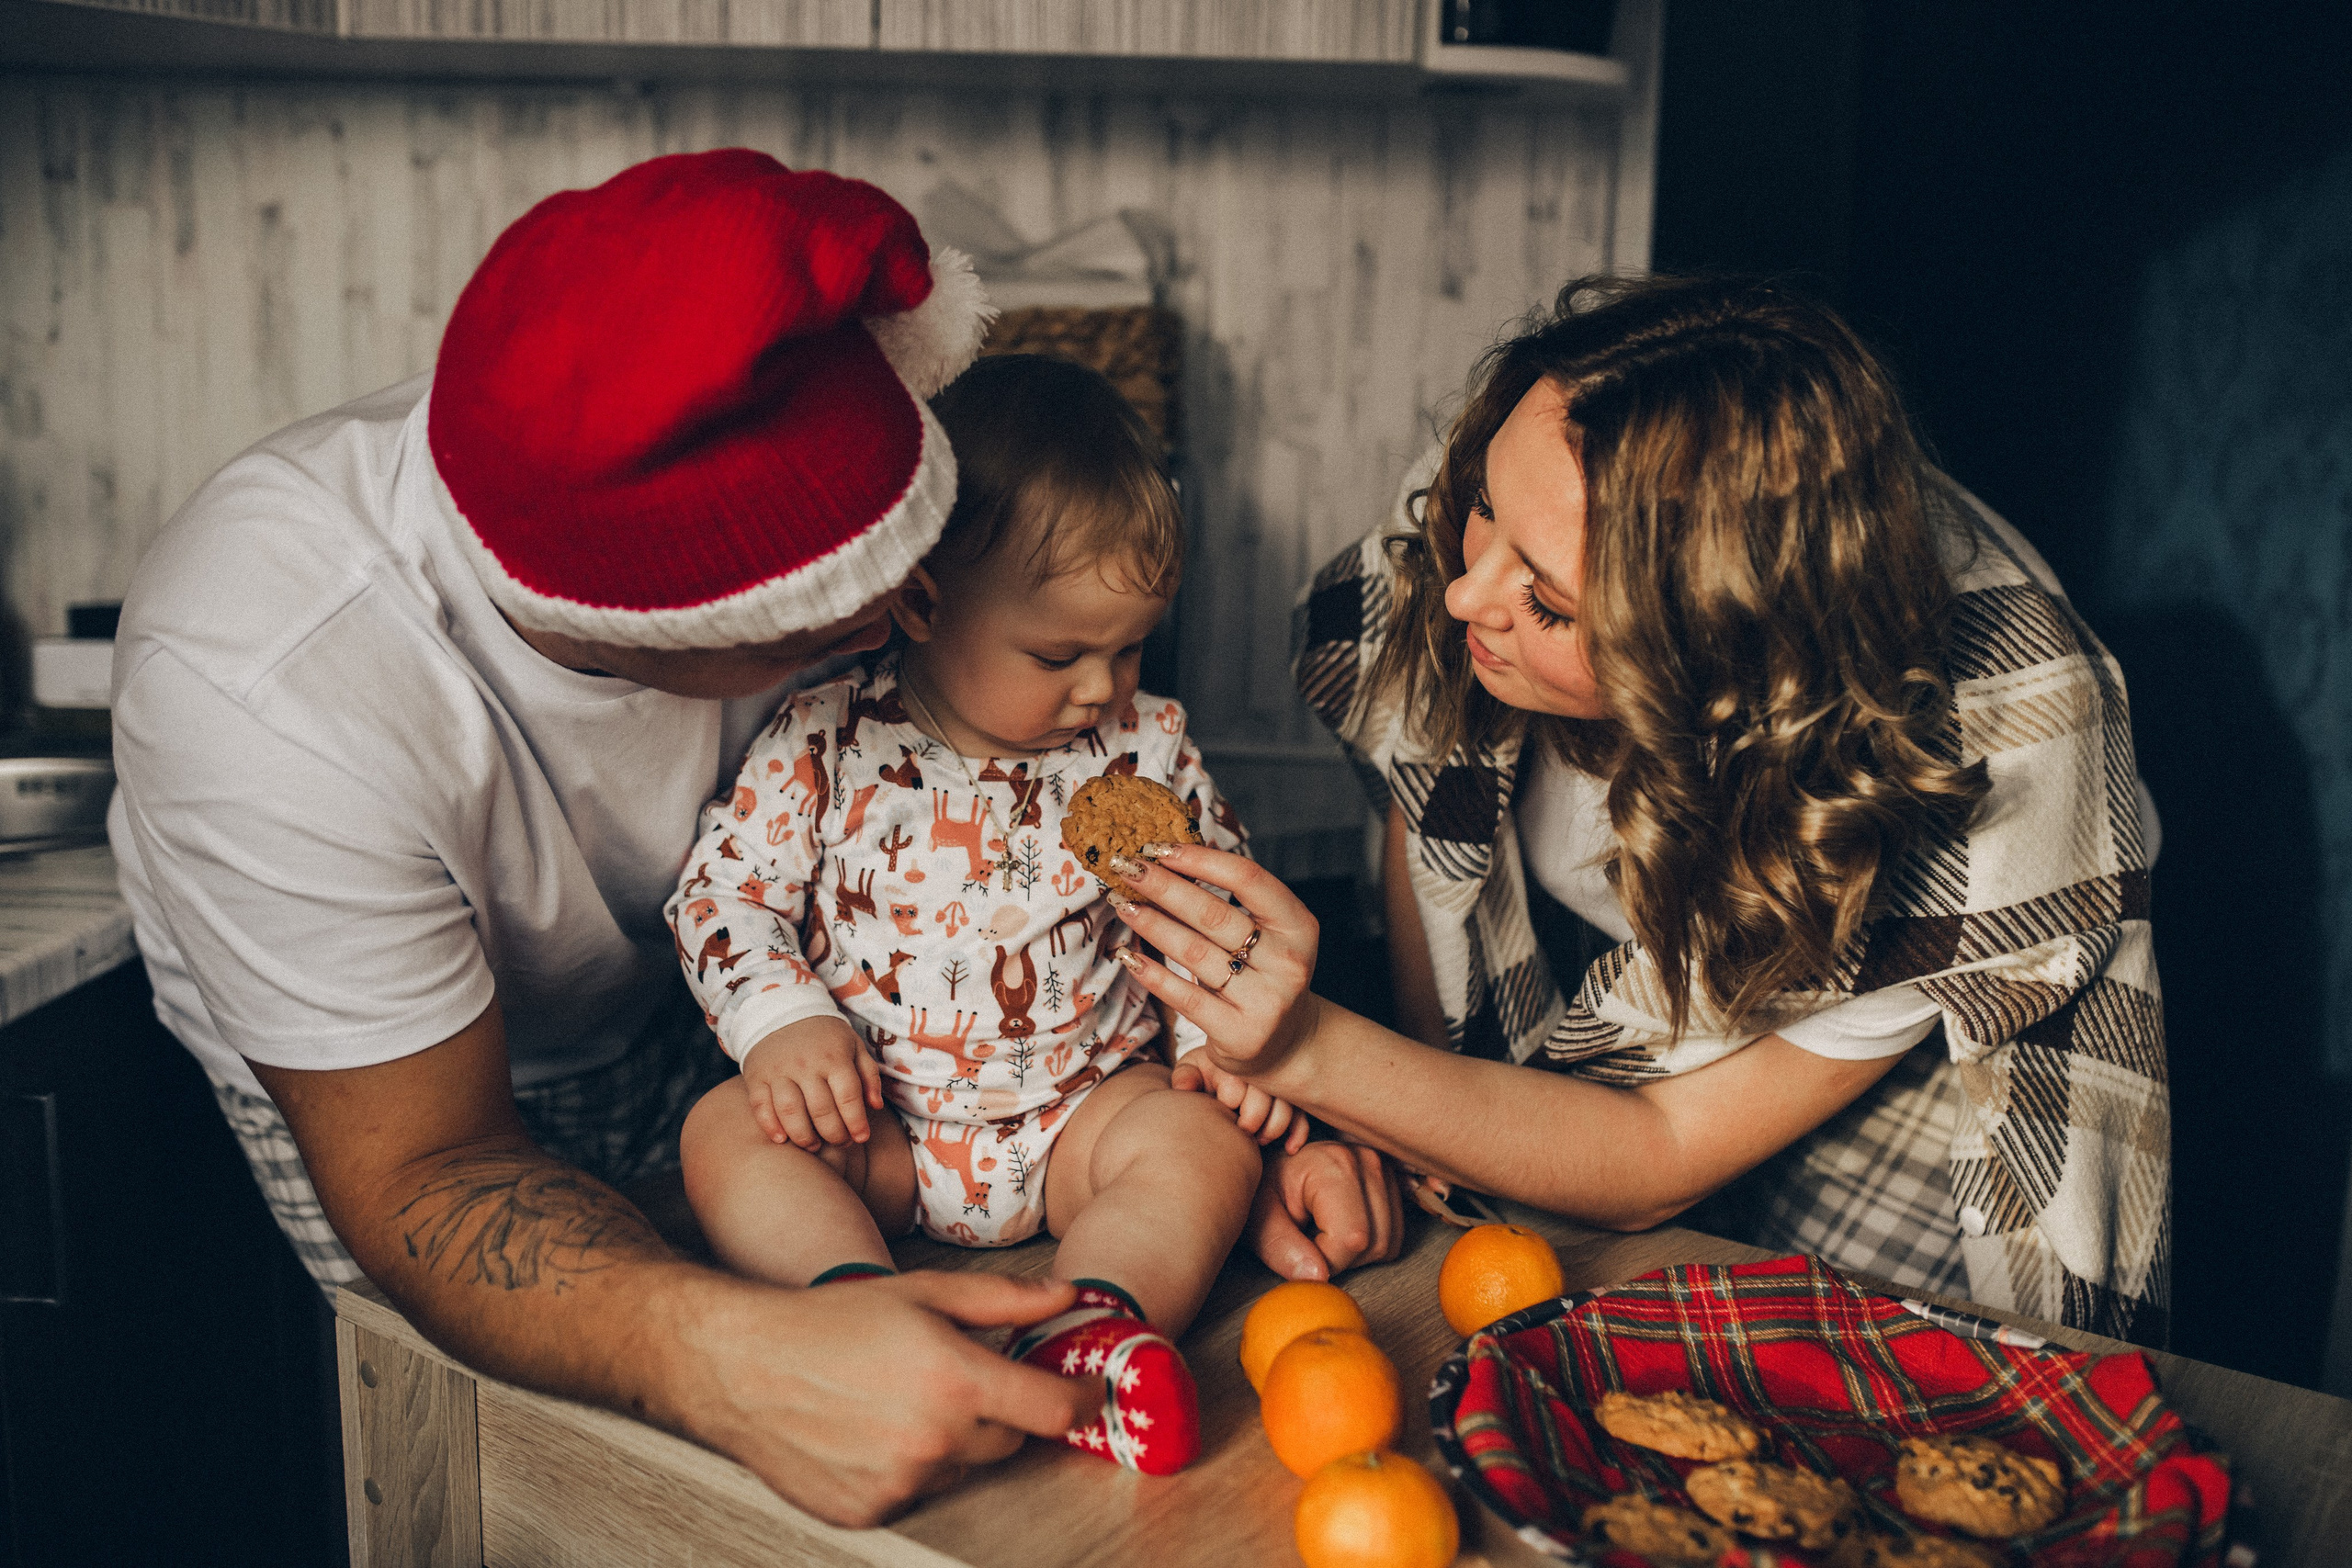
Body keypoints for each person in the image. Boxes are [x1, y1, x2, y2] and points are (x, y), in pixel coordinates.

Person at [106, 151, 1396, 1529]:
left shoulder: (862, 542)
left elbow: (1171, 905)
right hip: (404, 1100)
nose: (909, 605)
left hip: (738, 1027)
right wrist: (745, 1354)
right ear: (679, 622)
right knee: (526, 1471)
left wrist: (1274, 1085)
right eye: (856, 599)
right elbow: (435, 1177)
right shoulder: (265, 681)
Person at [1109, 274, 2171, 1342]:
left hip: (1916, 1079)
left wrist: (1304, 1052)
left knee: (1817, 1365)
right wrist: (1418, 1127)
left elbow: (1658, 1150)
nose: (1470, 592)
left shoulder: (1976, 777)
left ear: (1711, 664)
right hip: (1610, 982)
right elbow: (1431, 801)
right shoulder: (1533, 479)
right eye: (1479, 505)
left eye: (1550, 604)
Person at [671, 354, 1305, 1475]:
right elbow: (724, 894)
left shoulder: (1144, 750)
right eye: (1059, 654)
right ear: (921, 601)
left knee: (1198, 1143)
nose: (1102, 687)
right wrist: (780, 1023)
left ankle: (1094, 1331)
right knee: (724, 1135)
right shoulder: (824, 737)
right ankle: (854, 1307)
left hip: (1081, 1121)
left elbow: (1210, 916)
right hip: (880, 1132)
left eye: (1129, 647)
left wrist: (1214, 1052)